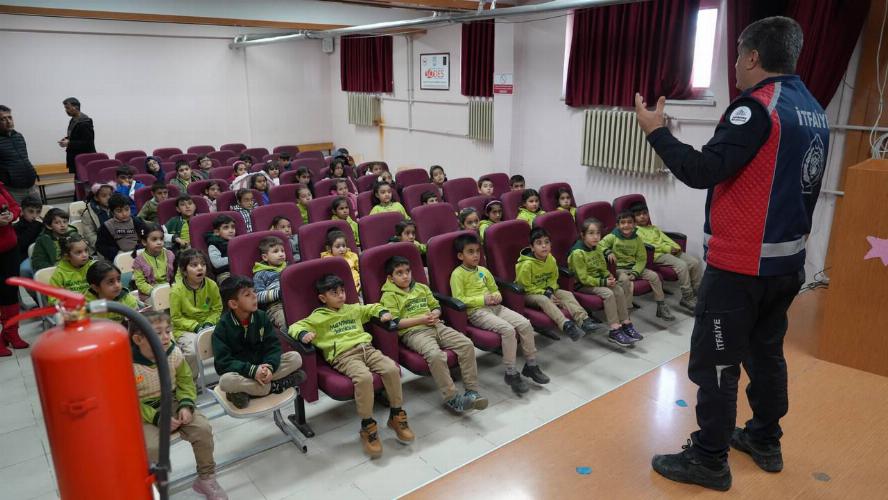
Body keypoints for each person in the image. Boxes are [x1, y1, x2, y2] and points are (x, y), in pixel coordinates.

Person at [635, 16, 827, 491]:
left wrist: (656, 132)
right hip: (786, 264)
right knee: (766, 354)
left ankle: (708, 459)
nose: (735, 64)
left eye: (738, 53)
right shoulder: (812, 108)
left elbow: (702, 170)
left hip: (741, 267)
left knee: (717, 363)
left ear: (753, 56)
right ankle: (764, 438)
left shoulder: (755, 109)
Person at [289, 274, 414, 458]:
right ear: (323, 298)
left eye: (342, 291)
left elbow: (372, 307)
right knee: (363, 378)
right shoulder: (318, 317)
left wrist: (382, 313)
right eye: (334, 293)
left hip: (367, 349)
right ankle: (367, 426)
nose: (341, 295)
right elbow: (294, 327)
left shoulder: (353, 309)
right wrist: (303, 334)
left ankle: (396, 415)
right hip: (344, 356)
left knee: (392, 369)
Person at [131, 311, 227, 499]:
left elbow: (185, 381)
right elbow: (129, 400)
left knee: (202, 430)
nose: (166, 337)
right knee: (151, 448)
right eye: (158, 333)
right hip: (144, 413)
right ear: (138, 339)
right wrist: (158, 418)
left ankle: (206, 478)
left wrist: (185, 404)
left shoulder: (174, 353)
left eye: (168, 331)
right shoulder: (128, 364)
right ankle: (155, 488)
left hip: (173, 401)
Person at [381, 255, 488, 413]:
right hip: (414, 333)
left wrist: (435, 314)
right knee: (435, 355)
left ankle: (472, 391)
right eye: (399, 273)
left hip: (436, 325)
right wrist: (421, 320)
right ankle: (452, 398)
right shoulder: (389, 295)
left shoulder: (421, 288)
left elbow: (435, 306)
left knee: (466, 344)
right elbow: (396, 323)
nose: (405, 276)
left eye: (408, 271)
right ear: (391, 278)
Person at [450, 233, 547, 395]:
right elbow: (459, 299)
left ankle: (531, 364)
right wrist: (483, 299)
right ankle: (511, 372)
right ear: (461, 255)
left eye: (477, 251)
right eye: (470, 252)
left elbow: (495, 290)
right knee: (508, 330)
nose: (476, 255)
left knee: (525, 324)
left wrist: (497, 296)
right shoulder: (457, 274)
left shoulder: (483, 271)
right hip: (477, 312)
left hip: (496, 307)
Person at [214, 276, 304, 409]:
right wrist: (252, 371)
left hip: (264, 369)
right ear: (233, 304)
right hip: (243, 373)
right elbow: (222, 363)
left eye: (254, 292)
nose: (254, 296)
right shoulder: (222, 327)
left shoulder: (261, 316)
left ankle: (248, 391)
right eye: (247, 295)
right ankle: (274, 386)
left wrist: (269, 367)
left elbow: (273, 347)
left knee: (295, 358)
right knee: (226, 381)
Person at [568, 218, 640, 347]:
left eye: (598, 233)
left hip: (598, 281)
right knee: (608, 293)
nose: (595, 237)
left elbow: (602, 268)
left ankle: (626, 323)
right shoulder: (578, 253)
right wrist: (604, 282)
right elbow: (583, 278)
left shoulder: (597, 248)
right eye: (591, 233)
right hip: (582, 285)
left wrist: (609, 276)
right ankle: (614, 330)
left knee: (618, 289)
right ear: (583, 235)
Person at [516, 227, 596, 341]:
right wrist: (546, 293)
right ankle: (566, 325)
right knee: (543, 300)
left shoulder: (551, 259)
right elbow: (525, 287)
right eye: (539, 243)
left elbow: (554, 279)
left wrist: (550, 290)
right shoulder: (526, 265)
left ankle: (584, 321)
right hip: (529, 294)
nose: (544, 246)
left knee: (566, 294)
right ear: (532, 247)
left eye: (547, 242)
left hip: (547, 290)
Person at [599, 210, 675, 321]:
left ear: (634, 225)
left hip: (634, 267)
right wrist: (608, 251)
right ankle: (626, 311)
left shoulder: (637, 239)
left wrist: (636, 272)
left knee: (654, 276)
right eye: (623, 223)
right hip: (619, 269)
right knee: (625, 280)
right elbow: (599, 245)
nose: (626, 225)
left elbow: (641, 258)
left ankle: (661, 305)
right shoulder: (612, 236)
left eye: (629, 222)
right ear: (617, 225)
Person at [632, 202, 703, 310]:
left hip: (668, 251)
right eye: (638, 214)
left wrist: (676, 247)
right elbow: (651, 245)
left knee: (694, 262)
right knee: (682, 265)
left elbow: (666, 239)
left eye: (645, 213)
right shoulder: (636, 232)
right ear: (634, 218)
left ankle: (696, 292)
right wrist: (669, 249)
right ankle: (687, 297)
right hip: (656, 255)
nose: (642, 216)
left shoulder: (653, 228)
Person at [170, 248, 223, 375]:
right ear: (184, 271)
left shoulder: (212, 285)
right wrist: (195, 326)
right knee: (193, 352)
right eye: (194, 265)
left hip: (209, 324)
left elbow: (217, 309)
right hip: (185, 329)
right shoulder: (176, 291)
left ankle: (228, 375)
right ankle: (190, 382)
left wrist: (209, 322)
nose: (200, 268)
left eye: (203, 264)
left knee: (231, 340)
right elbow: (176, 318)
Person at [0, 184, 27, 356]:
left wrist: (11, 214)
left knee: (10, 292)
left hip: (9, 249)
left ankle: (11, 332)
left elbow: (15, 207)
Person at [0, 105, 38, 202]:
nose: (9, 122)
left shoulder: (18, 136)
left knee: (38, 211)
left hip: (31, 186)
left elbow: (25, 158)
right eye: (3, 119)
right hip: (12, 190)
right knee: (18, 212)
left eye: (10, 117)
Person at [95, 193, 146, 261]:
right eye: (119, 211)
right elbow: (100, 246)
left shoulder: (137, 221)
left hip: (139, 254)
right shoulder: (106, 227)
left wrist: (141, 246)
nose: (124, 214)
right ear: (112, 212)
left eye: (127, 209)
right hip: (119, 258)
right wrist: (116, 253)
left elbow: (144, 235)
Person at [132, 223, 175, 302]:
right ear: (144, 242)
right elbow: (140, 283)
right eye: (154, 239)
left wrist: (173, 286)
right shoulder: (139, 261)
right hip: (150, 294)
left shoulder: (170, 254)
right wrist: (155, 292)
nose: (159, 242)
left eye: (161, 239)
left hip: (169, 289)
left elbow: (178, 274)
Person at [252, 236, 288, 331]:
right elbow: (257, 296)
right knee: (286, 322)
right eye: (276, 251)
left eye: (282, 251)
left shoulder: (289, 268)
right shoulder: (260, 274)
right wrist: (279, 293)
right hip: (275, 307)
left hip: (293, 301)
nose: (281, 254)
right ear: (265, 257)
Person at [59, 97, 96, 175]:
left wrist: (69, 143)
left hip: (84, 159)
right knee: (78, 181)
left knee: (84, 181)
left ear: (76, 107)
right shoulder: (73, 120)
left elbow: (88, 143)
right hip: (76, 157)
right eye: (65, 108)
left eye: (68, 108)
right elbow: (75, 136)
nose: (66, 110)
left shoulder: (85, 122)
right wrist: (66, 139)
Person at [321, 229, 360, 294]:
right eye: (338, 247)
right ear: (329, 248)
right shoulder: (327, 260)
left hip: (358, 283)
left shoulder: (351, 255)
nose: (342, 249)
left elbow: (361, 268)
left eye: (344, 246)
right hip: (342, 288)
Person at [14, 196, 43, 280]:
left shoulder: (42, 225)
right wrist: (34, 226)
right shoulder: (16, 227)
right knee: (25, 270)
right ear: (22, 211)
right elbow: (21, 245)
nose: (35, 215)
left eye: (38, 212)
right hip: (26, 258)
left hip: (42, 256)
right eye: (31, 211)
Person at [80, 183, 113, 256]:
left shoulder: (116, 208)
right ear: (96, 198)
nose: (108, 198)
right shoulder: (88, 213)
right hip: (99, 248)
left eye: (110, 195)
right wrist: (102, 247)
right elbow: (90, 235)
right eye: (104, 196)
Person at [206, 214, 236, 283]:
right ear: (217, 232)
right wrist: (235, 258)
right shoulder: (213, 244)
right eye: (226, 228)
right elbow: (217, 263)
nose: (231, 231)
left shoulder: (236, 241)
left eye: (233, 227)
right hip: (224, 274)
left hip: (239, 270)